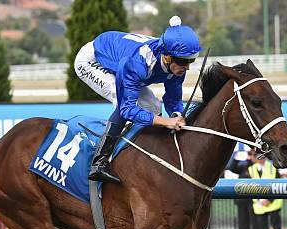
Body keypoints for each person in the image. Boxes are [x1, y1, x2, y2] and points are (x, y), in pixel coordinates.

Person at [74, 16, 201, 183]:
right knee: (122, 102)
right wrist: (165, 122)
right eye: (183, 62)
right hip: (93, 61)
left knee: (154, 106)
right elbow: (127, 109)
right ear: (167, 57)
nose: (187, 67)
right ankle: (99, 162)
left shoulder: (176, 64)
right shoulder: (139, 64)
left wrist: (176, 116)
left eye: (191, 61)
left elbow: (172, 99)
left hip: (120, 59)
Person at [248, 155, 286, 229]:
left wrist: (269, 199)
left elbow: (278, 184)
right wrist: (260, 200)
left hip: (273, 204)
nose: (260, 159)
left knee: (276, 228)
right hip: (259, 205)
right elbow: (248, 187)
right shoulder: (251, 169)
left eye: (262, 157)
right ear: (254, 158)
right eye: (258, 157)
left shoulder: (272, 167)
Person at [227, 150, 256, 229]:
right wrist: (236, 159)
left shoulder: (258, 167)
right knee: (243, 225)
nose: (252, 156)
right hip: (242, 201)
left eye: (254, 154)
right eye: (250, 154)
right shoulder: (245, 166)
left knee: (255, 225)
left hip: (254, 201)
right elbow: (231, 168)